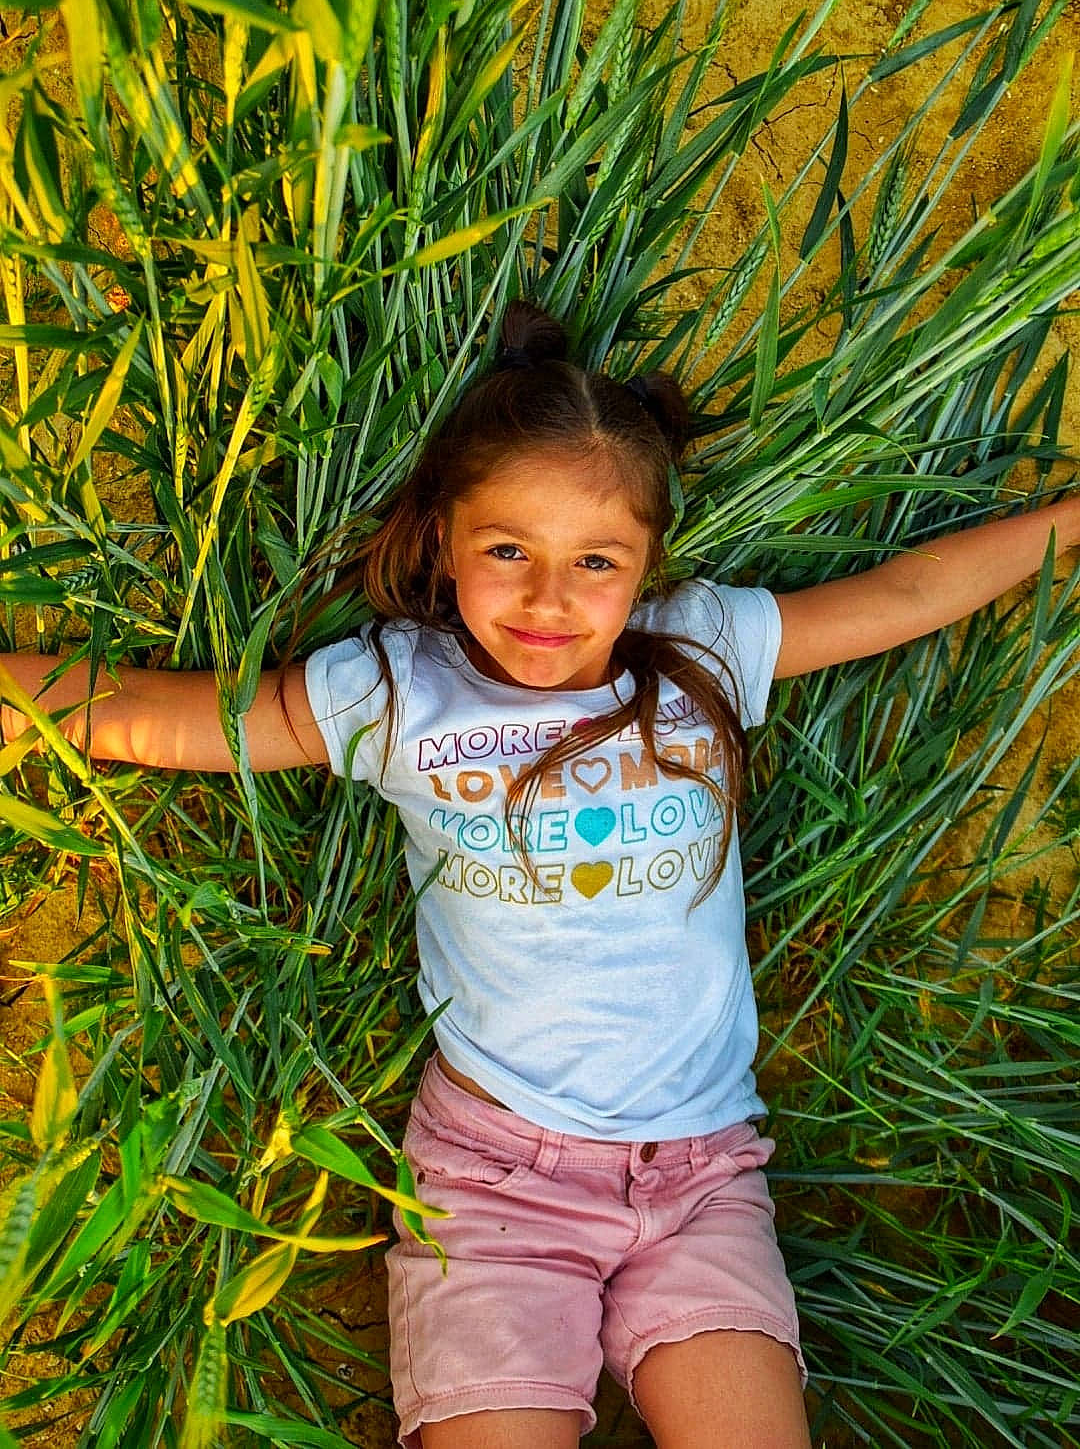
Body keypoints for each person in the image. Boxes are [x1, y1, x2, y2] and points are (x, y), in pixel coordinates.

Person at [2, 299, 1078, 1449]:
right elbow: (178, 720)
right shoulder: (401, 691)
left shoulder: (706, 649)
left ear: (648, 568)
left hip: (705, 1172)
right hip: (496, 1179)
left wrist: (1067, 525)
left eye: (597, 562)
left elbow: (905, 597)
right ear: (443, 541)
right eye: (508, 550)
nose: (549, 601)